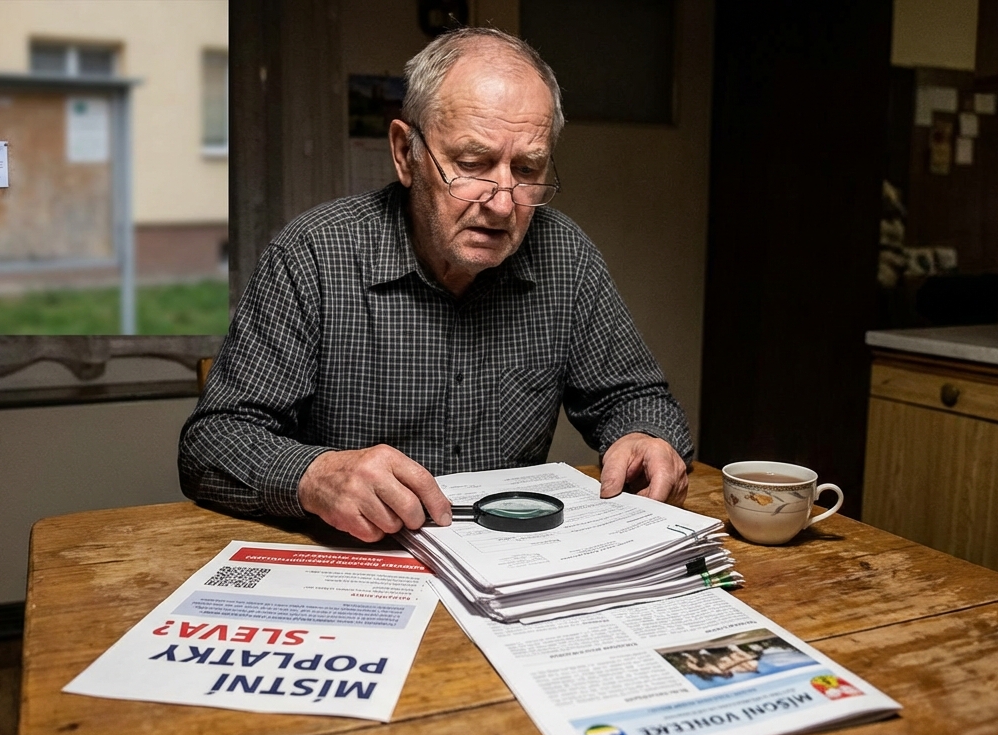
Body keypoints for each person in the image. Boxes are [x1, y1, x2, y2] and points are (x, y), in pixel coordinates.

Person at [179, 27, 693, 543]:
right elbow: (212, 442)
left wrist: (643, 435)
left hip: (509, 562)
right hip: (360, 561)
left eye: (528, 168)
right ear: (405, 153)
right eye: (472, 164)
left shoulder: (565, 257)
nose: (501, 202)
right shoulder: (314, 255)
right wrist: (314, 475)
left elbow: (633, 395)